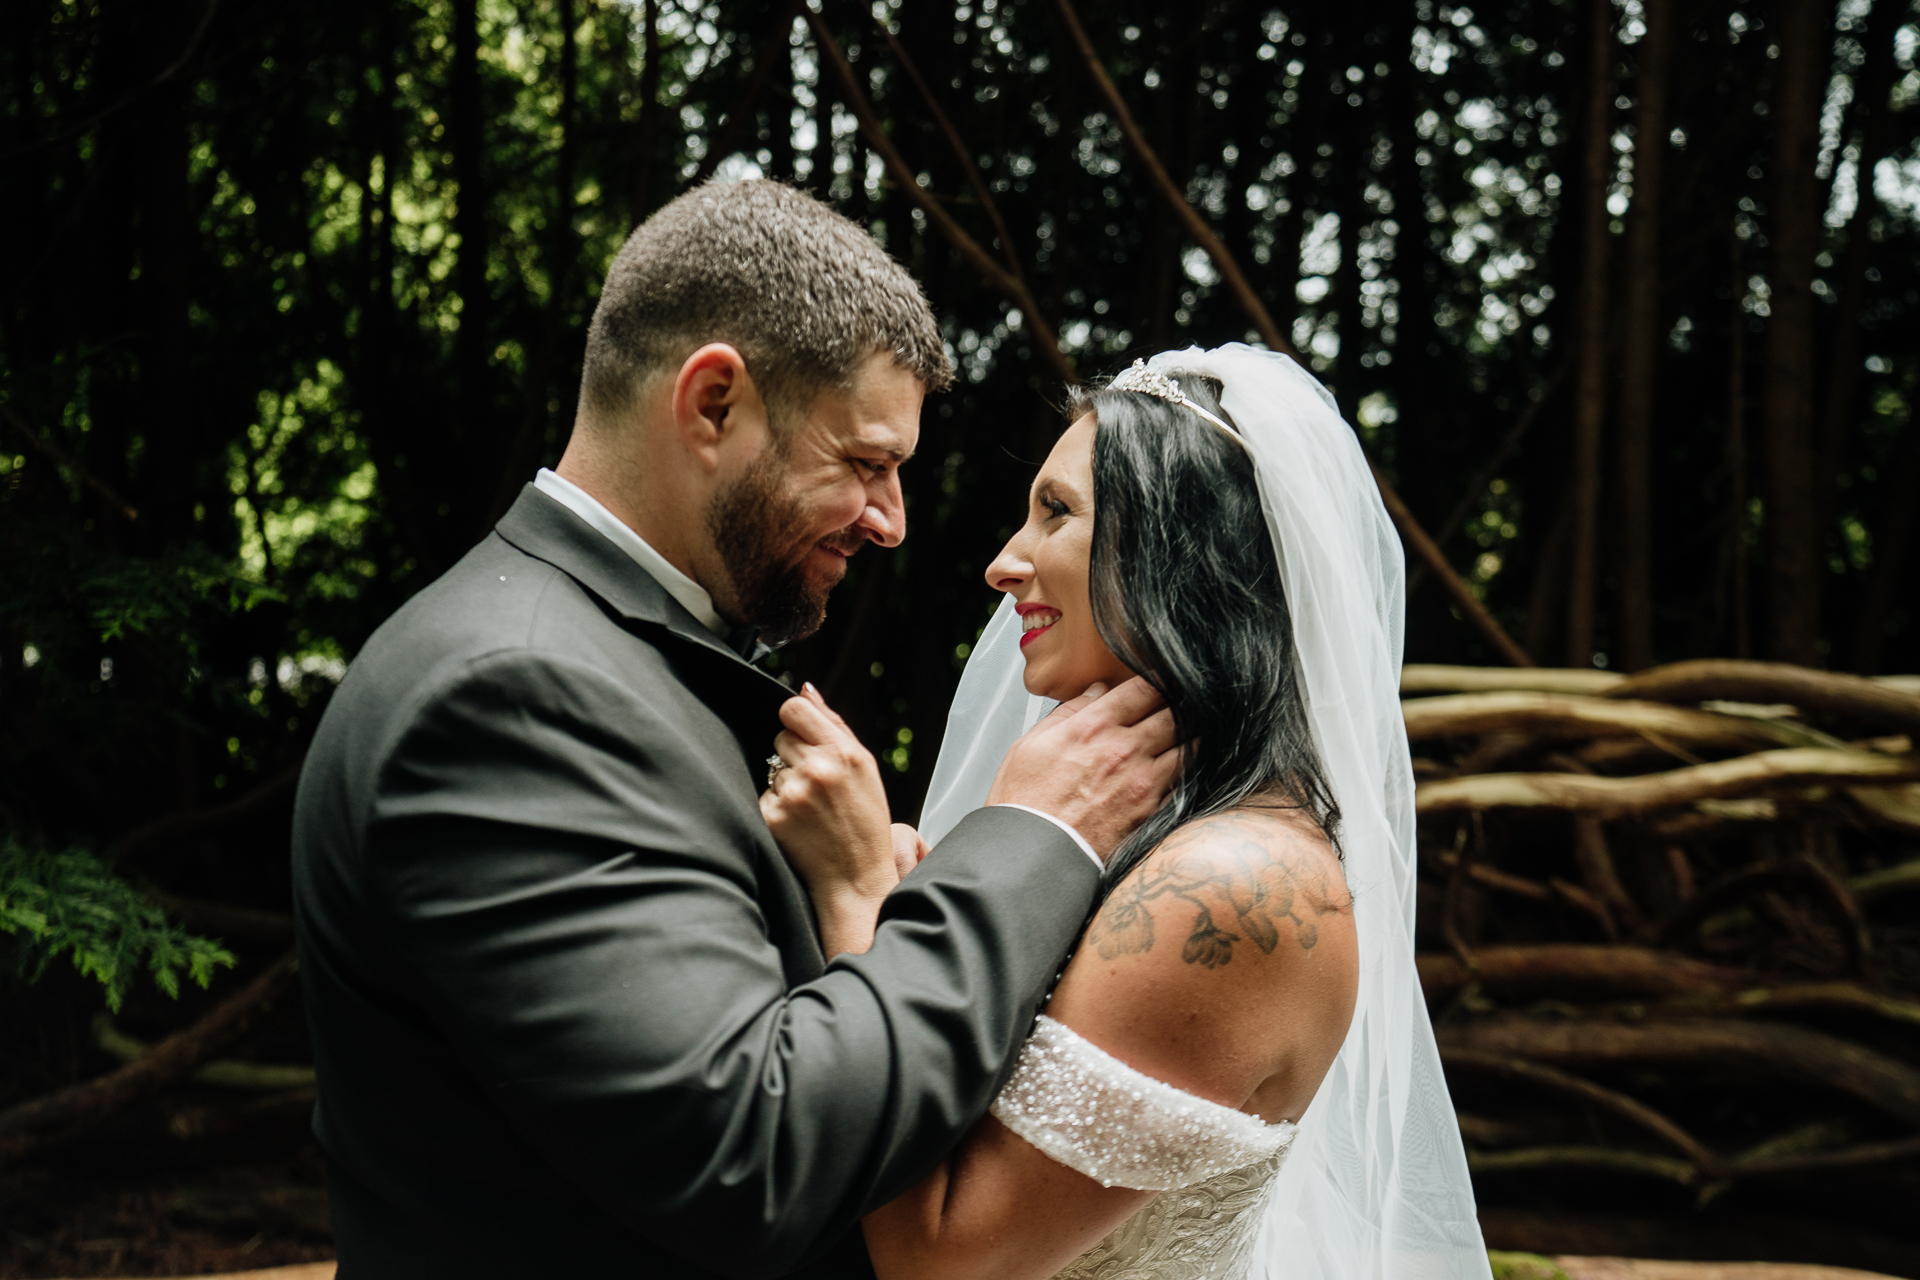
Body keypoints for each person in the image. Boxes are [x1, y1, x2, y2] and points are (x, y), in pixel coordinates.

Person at [289, 179, 1182, 1278]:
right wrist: (1036, 837)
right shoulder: (515, 694)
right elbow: (752, 1151)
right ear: (713, 402)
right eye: (864, 464)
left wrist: (859, 898)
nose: (892, 522)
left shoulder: (600, 651)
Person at [763, 346, 1492, 1279]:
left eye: (1057, 512)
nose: (1002, 564)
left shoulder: (1234, 889)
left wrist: (861, 893)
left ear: (1188, 548)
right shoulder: (1140, 831)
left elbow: (937, 1259)